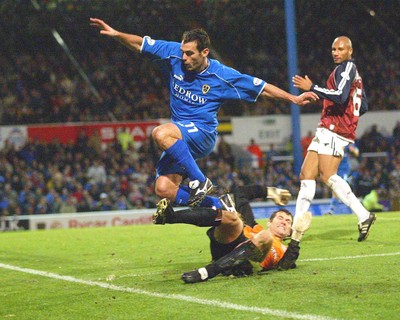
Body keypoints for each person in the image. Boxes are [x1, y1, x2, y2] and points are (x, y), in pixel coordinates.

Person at [90, 18, 318, 209]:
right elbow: (140, 44)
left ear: (205, 52)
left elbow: (261, 87)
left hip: (202, 133)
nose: (184, 57)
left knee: (160, 133)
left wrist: (293, 98)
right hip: (180, 137)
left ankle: (201, 181)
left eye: (190, 54)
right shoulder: (174, 53)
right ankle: (221, 206)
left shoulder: (222, 75)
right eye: (183, 52)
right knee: (163, 188)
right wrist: (117, 33)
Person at [278, 36, 376, 270]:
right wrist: (336, 108)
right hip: (329, 127)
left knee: (328, 176)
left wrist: (312, 88)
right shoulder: (347, 72)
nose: (336, 52)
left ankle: (363, 215)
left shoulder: (348, 67)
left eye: (341, 48)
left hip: (335, 130)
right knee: (307, 175)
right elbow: (363, 105)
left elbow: (342, 96)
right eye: (333, 48)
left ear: (350, 50)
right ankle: (297, 227)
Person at [152, 185, 310, 283]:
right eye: (280, 218)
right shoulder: (254, 226)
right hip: (227, 247)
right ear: (269, 222)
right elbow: (240, 193)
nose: (284, 222)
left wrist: (297, 236)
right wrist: (269, 191)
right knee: (233, 218)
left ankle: (208, 272)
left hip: (246, 265)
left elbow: (285, 266)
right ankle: (170, 217)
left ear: (290, 230)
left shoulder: (284, 249)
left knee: (265, 237)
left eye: (288, 222)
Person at [325, 144, 359, 215]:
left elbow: (357, 152)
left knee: (344, 190)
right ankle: (332, 210)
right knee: (335, 190)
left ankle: (354, 209)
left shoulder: (346, 144)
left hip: (344, 171)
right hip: (335, 170)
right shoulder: (333, 144)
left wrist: (353, 150)